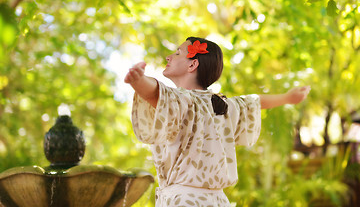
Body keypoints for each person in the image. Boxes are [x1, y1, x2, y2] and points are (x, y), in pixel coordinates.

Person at [124, 37, 311, 206]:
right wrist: (287, 98)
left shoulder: (182, 100)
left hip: (184, 202)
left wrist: (138, 81)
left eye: (177, 52)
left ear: (192, 65)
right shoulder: (223, 105)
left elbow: (154, 91)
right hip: (217, 201)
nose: (169, 57)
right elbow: (255, 101)